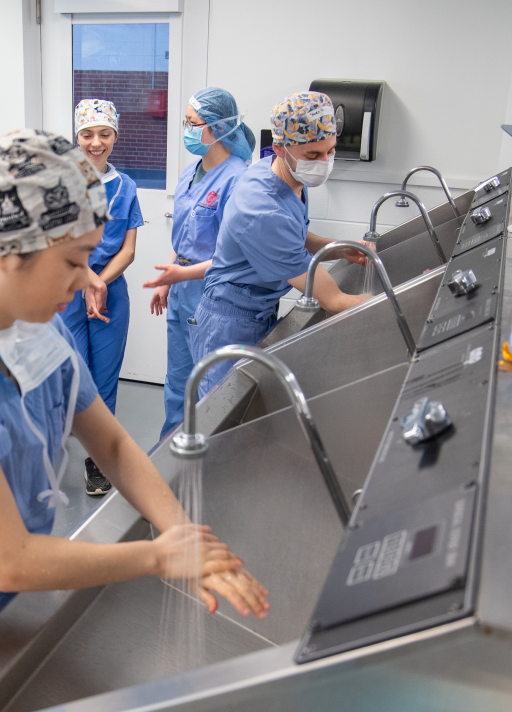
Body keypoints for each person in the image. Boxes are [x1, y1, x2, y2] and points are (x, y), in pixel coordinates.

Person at [0, 129, 267, 712]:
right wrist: (156, 556)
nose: (85, 280)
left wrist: (181, 532)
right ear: (7, 251)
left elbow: (112, 443)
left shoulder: (33, 327)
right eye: (73, 262)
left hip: (13, 606)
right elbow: (9, 559)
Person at [188, 92, 370, 399]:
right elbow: (334, 300)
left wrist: (336, 248)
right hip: (230, 323)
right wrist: (399, 299)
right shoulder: (262, 208)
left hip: (255, 312)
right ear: (280, 148)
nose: (324, 163)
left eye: (330, 151)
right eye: (313, 155)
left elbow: (293, 236)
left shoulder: (279, 174)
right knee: (221, 410)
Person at [143, 87, 254, 438]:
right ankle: (171, 450)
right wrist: (169, 279)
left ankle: (204, 456)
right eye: (186, 122)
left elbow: (232, 257)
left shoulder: (238, 179)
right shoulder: (192, 170)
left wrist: (180, 274)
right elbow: (187, 236)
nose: (187, 130)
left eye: (194, 123)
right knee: (178, 380)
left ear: (218, 127)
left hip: (213, 295)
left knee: (209, 386)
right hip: (181, 289)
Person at [63, 99, 144, 498]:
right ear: (76, 137)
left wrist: (100, 283)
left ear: (115, 136)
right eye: (87, 134)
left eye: (104, 134)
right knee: (69, 375)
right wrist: (88, 279)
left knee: (105, 380)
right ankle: (47, 450)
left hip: (110, 292)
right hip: (65, 290)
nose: (96, 142)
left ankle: (99, 460)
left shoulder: (126, 187)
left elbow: (128, 250)